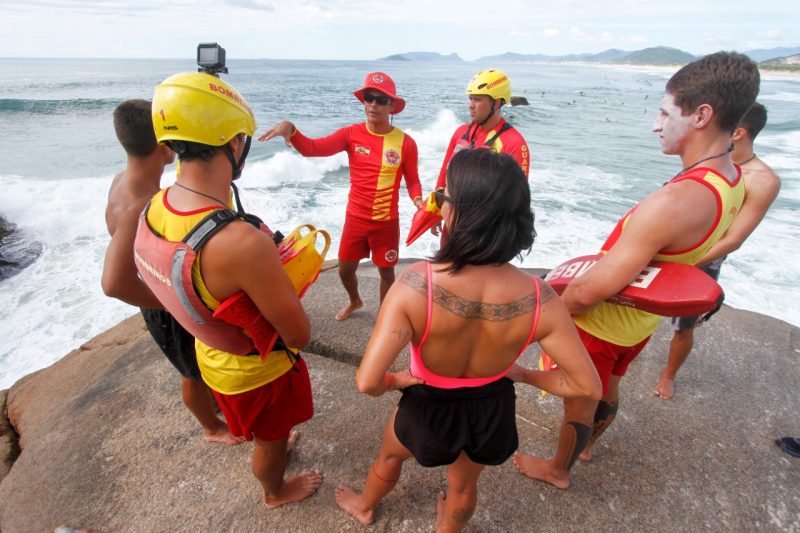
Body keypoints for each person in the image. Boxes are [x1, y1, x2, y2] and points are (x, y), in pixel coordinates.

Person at [513, 51, 760, 490]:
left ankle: (558, 469)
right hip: (637, 323)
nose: (655, 124)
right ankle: (584, 448)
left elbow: (589, 293)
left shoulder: (676, 202)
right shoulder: (733, 178)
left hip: (602, 322)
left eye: (665, 113)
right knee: (608, 389)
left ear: (702, 115)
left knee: (580, 398)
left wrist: (541, 319)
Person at [334, 149, 601, 531]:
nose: (439, 205)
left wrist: (397, 381)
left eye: (444, 197)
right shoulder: (540, 298)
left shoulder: (415, 284)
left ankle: (364, 505)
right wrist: (523, 375)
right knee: (462, 487)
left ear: (461, 214)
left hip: (427, 404)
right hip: (490, 410)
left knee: (390, 459)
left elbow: (368, 382)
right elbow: (586, 386)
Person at [134, 72, 321, 507]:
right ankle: (274, 491)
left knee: (255, 426)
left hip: (210, 356)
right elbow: (297, 335)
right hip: (258, 371)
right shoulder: (241, 242)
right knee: (270, 441)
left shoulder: (157, 205)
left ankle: (263, 439)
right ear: (235, 143)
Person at [101, 99, 242, 446]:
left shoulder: (123, 180)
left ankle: (213, 405)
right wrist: (171, 302)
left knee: (196, 363)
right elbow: (113, 283)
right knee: (191, 371)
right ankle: (211, 427)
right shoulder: (141, 201)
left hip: (158, 282)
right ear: (165, 147)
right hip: (162, 294)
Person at [259, 71, 423, 321]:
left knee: (387, 274)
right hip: (355, 219)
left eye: (380, 100)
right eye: (369, 98)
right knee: (345, 270)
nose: (373, 104)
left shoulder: (406, 143)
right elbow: (313, 149)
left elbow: (412, 180)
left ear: (391, 106)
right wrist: (291, 130)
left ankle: (384, 317)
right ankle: (355, 300)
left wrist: (419, 201)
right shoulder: (351, 134)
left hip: (386, 223)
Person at [654, 102, 782, 400]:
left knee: (683, 326)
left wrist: (683, 263)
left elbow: (734, 239)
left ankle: (669, 374)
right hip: (668, 247)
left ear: (737, 132)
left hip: (702, 260)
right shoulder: (708, 160)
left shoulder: (762, 180)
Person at [435, 68, 530, 190]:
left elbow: (517, 200)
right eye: (470, 98)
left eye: (477, 99)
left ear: (496, 103)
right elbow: (443, 176)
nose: (471, 105)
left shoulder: (514, 144)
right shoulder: (461, 132)